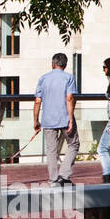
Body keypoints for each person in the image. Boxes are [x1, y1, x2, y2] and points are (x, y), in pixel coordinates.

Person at [33, 52, 79, 186]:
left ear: (53, 64)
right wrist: (70, 119)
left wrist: (36, 120)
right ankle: (63, 175)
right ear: (65, 65)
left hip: (48, 119)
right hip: (64, 117)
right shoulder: (69, 77)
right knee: (74, 144)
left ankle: (53, 180)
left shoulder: (43, 78)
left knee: (51, 150)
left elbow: (37, 101)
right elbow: (69, 98)